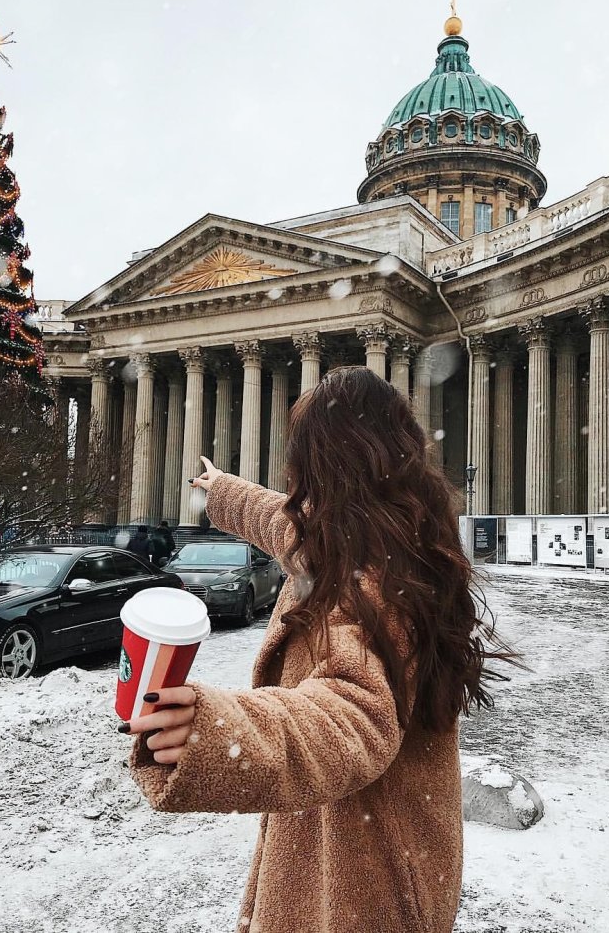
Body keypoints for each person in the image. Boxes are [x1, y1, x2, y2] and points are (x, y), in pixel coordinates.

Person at [120, 367, 519, 932]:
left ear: (327, 465)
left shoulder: (372, 574)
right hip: (372, 847)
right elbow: (280, 520)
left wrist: (221, 730)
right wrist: (224, 492)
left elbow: (351, 715)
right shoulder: (375, 535)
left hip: (365, 879)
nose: (296, 476)